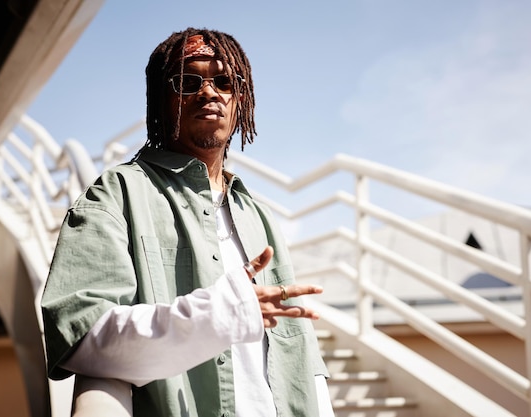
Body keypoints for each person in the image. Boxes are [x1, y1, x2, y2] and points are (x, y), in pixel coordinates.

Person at [41, 27, 335, 417]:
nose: (209, 92)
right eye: (188, 80)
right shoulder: (117, 193)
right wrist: (219, 315)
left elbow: (301, 355)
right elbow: (80, 331)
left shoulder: (258, 214)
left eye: (224, 81)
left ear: (240, 99)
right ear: (163, 100)